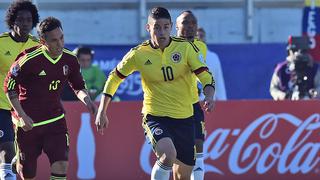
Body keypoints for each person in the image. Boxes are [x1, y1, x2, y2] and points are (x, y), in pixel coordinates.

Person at [95, 7, 215, 180]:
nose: (162, 32)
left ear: (171, 27)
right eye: (157, 27)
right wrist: (102, 110)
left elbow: (205, 76)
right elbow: (114, 78)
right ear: (148, 28)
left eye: (166, 27)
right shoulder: (139, 54)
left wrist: (209, 95)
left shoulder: (185, 48)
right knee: (167, 155)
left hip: (185, 118)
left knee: (184, 176)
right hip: (155, 116)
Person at [3, 17, 97, 180]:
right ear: (42, 41)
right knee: (28, 173)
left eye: (61, 38)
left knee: (61, 165)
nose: (60, 44)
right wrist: (22, 116)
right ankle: (18, 160)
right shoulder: (27, 60)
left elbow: (78, 86)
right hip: (28, 124)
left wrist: (87, 101)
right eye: (54, 40)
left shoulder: (70, 59)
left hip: (55, 121)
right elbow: (9, 87)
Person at [0, 1, 39, 179]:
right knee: (7, 147)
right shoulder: (1, 43)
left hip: (25, 107)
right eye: (20, 19)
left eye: (28, 20)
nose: (24, 24)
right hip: (2, 104)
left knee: (21, 153)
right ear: (12, 21)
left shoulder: (37, 45)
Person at [175, 10, 208, 180]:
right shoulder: (167, 46)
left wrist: (210, 94)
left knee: (198, 144)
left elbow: (200, 73)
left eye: (193, 23)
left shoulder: (200, 46)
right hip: (171, 106)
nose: (190, 26)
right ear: (176, 26)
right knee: (173, 155)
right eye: (185, 22)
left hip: (193, 103)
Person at [270, 35, 320, 100]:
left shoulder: (314, 68)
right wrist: (284, 96)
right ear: (289, 51)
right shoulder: (281, 68)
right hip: (285, 106)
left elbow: (318, 86)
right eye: (294, 51)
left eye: (302, 51)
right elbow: (273, 88)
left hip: (309, 106)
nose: (297, 54)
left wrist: (313, 94)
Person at [197, 27, 227, 100]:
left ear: (205, 38)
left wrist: (223, 100)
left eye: (201, 36)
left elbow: (218, 81)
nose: (199, 38)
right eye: (197, 36)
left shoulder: (213, 57)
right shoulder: (187, 55)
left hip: (209, 101)